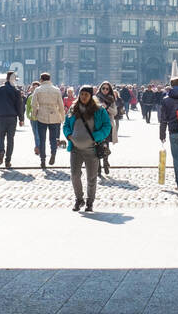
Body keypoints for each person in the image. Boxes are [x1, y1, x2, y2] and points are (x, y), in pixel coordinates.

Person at [63, 85, 111, 213]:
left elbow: (107, 127)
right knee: (74, 175)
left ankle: (90, 201)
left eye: (86, 94)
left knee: (91, 177)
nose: (83, 97)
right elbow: (66, 124)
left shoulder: (99, 110)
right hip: (75, 149)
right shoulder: (73, 108)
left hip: (92, 150)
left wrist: (96, 137)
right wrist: (68, 135)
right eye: (82, 94)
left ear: (91, 96)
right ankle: (79, 199)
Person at [0, 71, 25, 168]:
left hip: (1, 117)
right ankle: (7, 161)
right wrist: (21, 119)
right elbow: (19, 106)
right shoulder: (16, 91)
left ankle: (1, 151)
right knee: (10, 140)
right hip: (12, 117)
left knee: (0, 137)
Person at [31, 73, 65, 168]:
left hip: (42, 115)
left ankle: (43, 160)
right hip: (54, 116)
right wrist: (62, 118)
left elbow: (33, 104)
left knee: (42, 139)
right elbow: (61, 106)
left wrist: (34, 115)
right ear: (50, 79)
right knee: (53, 138)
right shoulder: (56, 90)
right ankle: (53, 153)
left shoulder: (38, 89)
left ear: (41, 80)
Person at [96, 81, 123, 176]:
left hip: (108, 125)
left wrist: (106, 107)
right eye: (103, 88)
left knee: (105, 145)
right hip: (98, 125)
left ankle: (105, 162)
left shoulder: (111, 99)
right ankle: (98, 167)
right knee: (97, 145)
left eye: (107, 89)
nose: (105, 90)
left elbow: (115, 112)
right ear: (100, 88)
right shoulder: (96, 98)